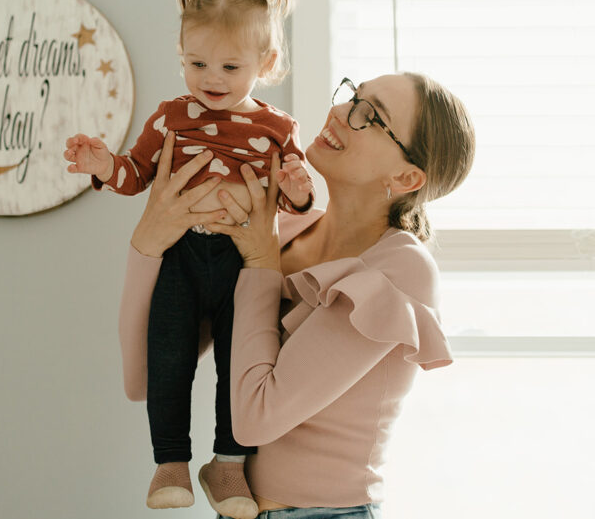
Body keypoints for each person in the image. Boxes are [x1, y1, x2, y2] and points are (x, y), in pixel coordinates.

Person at [119, 72, 476, 519]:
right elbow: (143, 381)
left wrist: (262, 262)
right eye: (353, 95)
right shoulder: (279, 230)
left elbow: (255, 417)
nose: (341, 112)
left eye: (371, 115)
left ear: (406, 176)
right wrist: (147, 244)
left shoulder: (401, 269)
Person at [64, 0, 315, 518]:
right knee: (170, 357)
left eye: (230, 66)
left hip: (242, 266)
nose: (212, 77)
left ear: (266, 66)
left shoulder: (277, 129)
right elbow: (135, 175)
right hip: (180, 257)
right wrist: (104, 163)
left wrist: (298, 190)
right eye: (197, 63)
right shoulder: (170, 117)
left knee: (241, 362)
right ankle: (170, 461)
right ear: (180, 53)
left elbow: (296, 198)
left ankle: (227, 462)